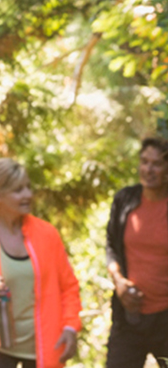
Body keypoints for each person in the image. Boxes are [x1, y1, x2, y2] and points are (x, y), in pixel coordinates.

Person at [0, 158, 81, 368]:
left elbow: (69, 286)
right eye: (18, 190)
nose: (27, 195)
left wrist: (71, 327)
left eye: (27, 187)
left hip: (44, 349)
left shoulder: (47, 234)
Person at [104, 136, 168, 368]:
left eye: (157, 164)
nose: (149, 169)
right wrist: (119, 282)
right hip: (130, 317)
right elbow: (111, 246)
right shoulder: (125, 200)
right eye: (144, 162)